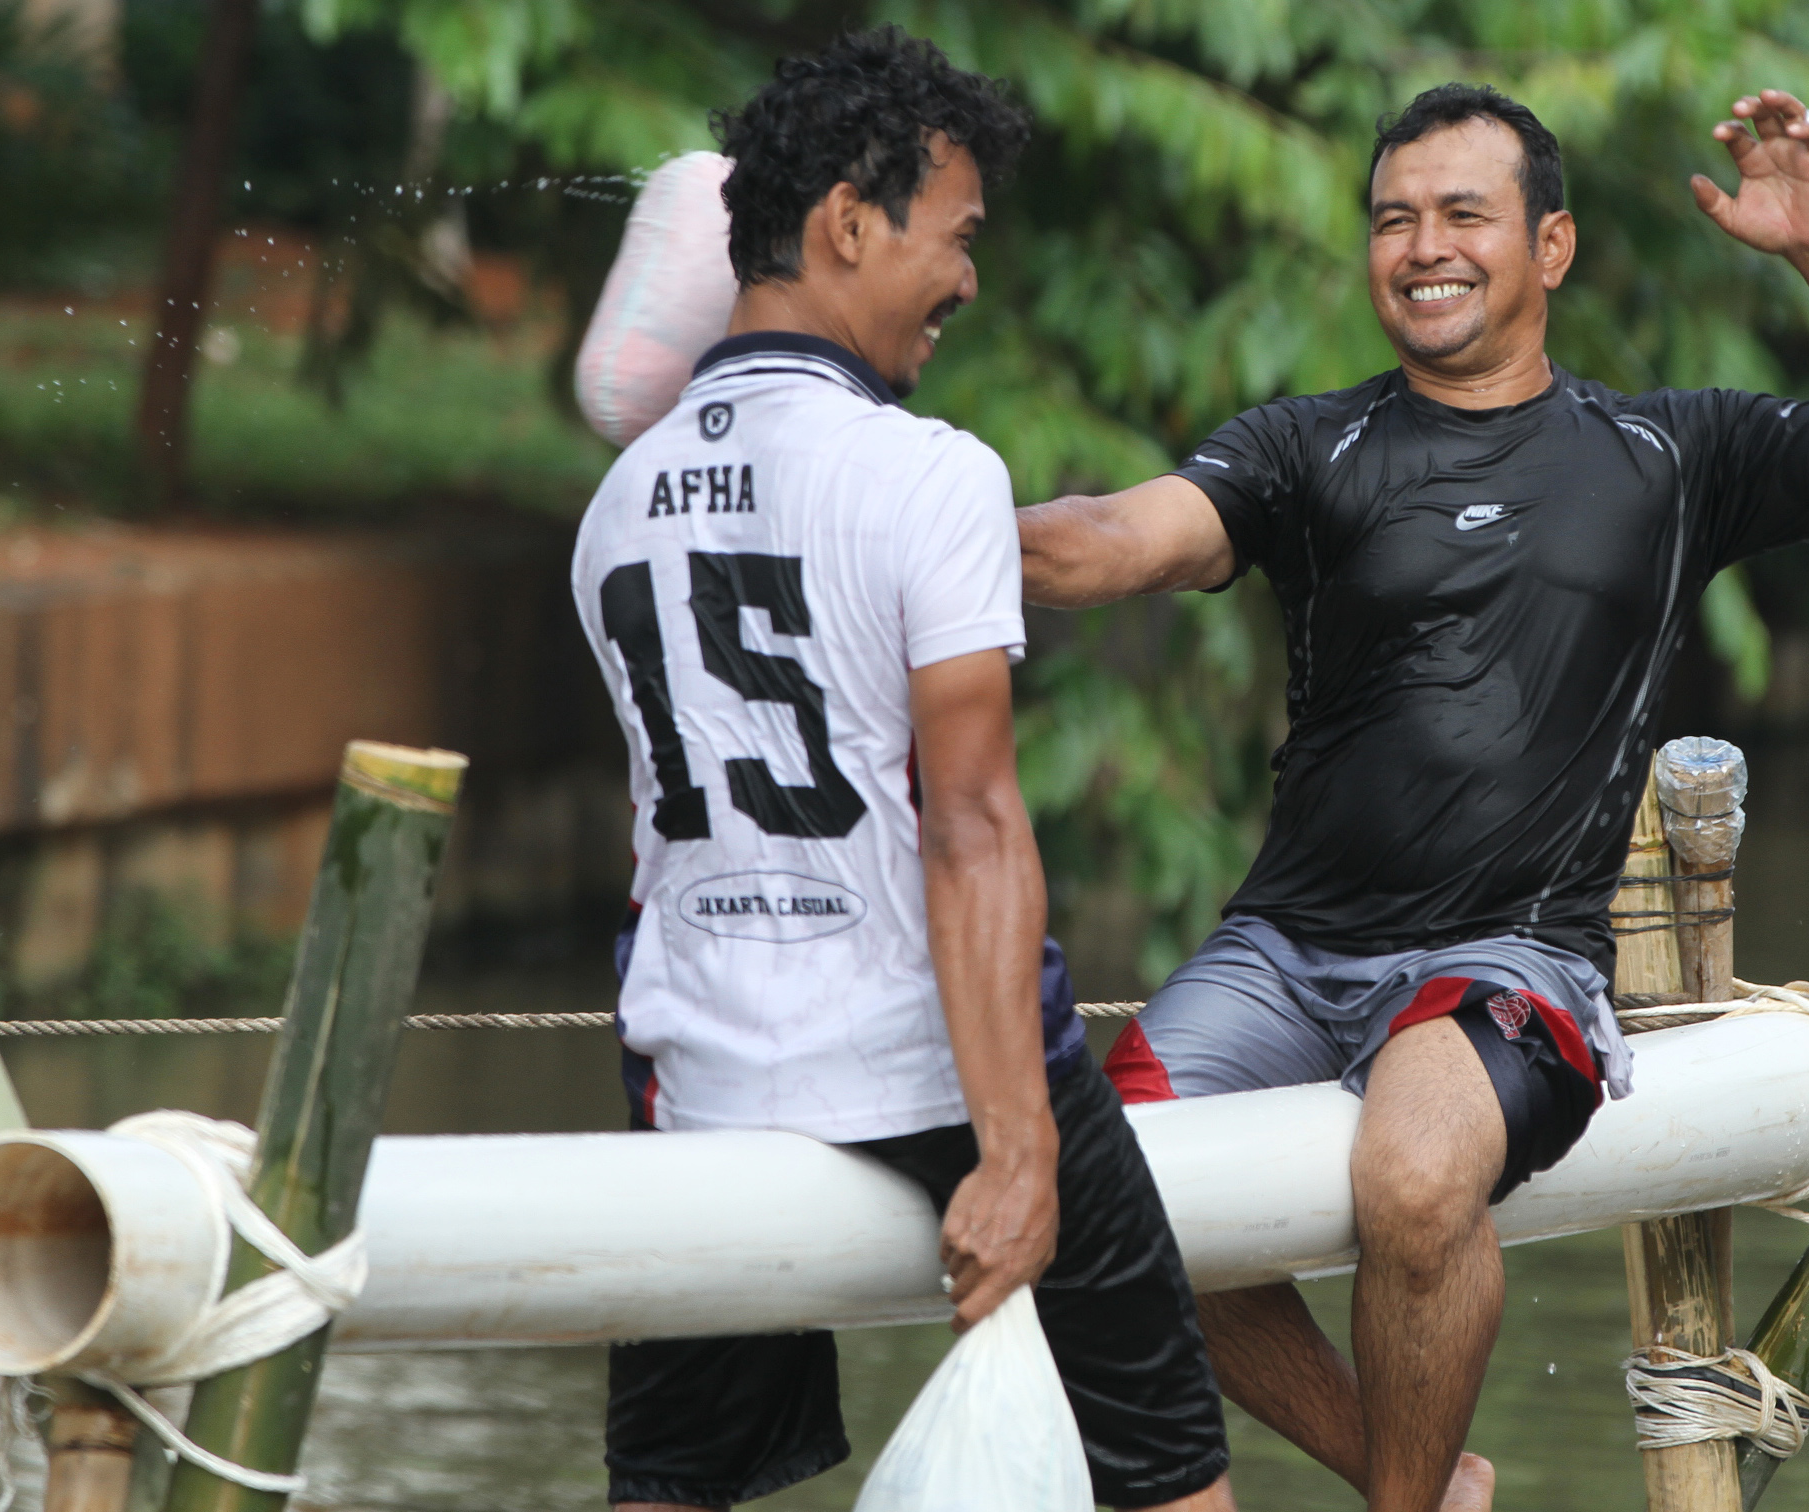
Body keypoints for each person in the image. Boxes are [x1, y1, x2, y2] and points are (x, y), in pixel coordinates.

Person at [1018, 83, 1809, 1512]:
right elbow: (1114, 542)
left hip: (1515, 956)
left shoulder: (1669, 457)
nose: (1423, 246)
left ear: (1554, 246)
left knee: (1413, 1179)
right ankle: (1421, 1481)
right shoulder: (1309, 449)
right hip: (1284, 951)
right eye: (1393, 218)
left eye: (1464, 213)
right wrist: (912, 516)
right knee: (1083, 1206)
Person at [570, 29, 1234, 1512]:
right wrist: (1012, 1152)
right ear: (848, 224)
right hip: (927, 1073)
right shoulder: (930, 472)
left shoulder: (618, 504)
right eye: (958, 237)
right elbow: (973, 832)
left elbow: (660, 844)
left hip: (701, 1079)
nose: (971, 279)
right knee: (1171, 1471)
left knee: (664, 1486)